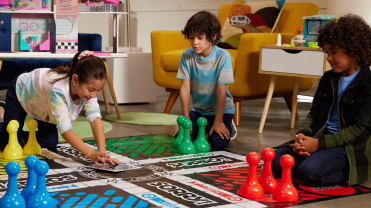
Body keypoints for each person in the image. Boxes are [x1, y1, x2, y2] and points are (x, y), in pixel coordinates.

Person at [272, 14, 371, 186]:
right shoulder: (328, 78)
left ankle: (356, 170)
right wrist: (303, 136)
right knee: (276, 163)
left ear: (354, 49)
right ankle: (316, 160)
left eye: (334, 52)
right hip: (319, 138)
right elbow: (314, 112)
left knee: (309, 173)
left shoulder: (368, 82)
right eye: (327, 52)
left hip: (349, 146)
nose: (329, 58)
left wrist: (318, 145)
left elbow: (360, 129)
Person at [0, 51, 120, 166]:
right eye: (91, 90)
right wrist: (91, 153)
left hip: (44, 106)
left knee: (49, 142)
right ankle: (1, 111)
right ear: (75, 80)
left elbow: (95, 119)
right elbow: (65, 130)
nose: (94, 95)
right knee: (6, 142)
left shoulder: (89, 88)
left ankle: (19, 135)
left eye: (98, 90)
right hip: (23, 90)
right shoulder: (58, 90)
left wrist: (102, 152)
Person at [173, 11, 237, 150]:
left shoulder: (223, 56)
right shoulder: (186, 55)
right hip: (199, 111)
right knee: (184, 137)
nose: (195, 42)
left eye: (200, 38)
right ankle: (206, 128)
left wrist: (219, 121)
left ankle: (228, 125)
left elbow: (221, 89)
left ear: (213, 37)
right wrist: (185, 119)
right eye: (191, 38)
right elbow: (184, 87)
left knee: (217, 143)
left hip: (221, 111)